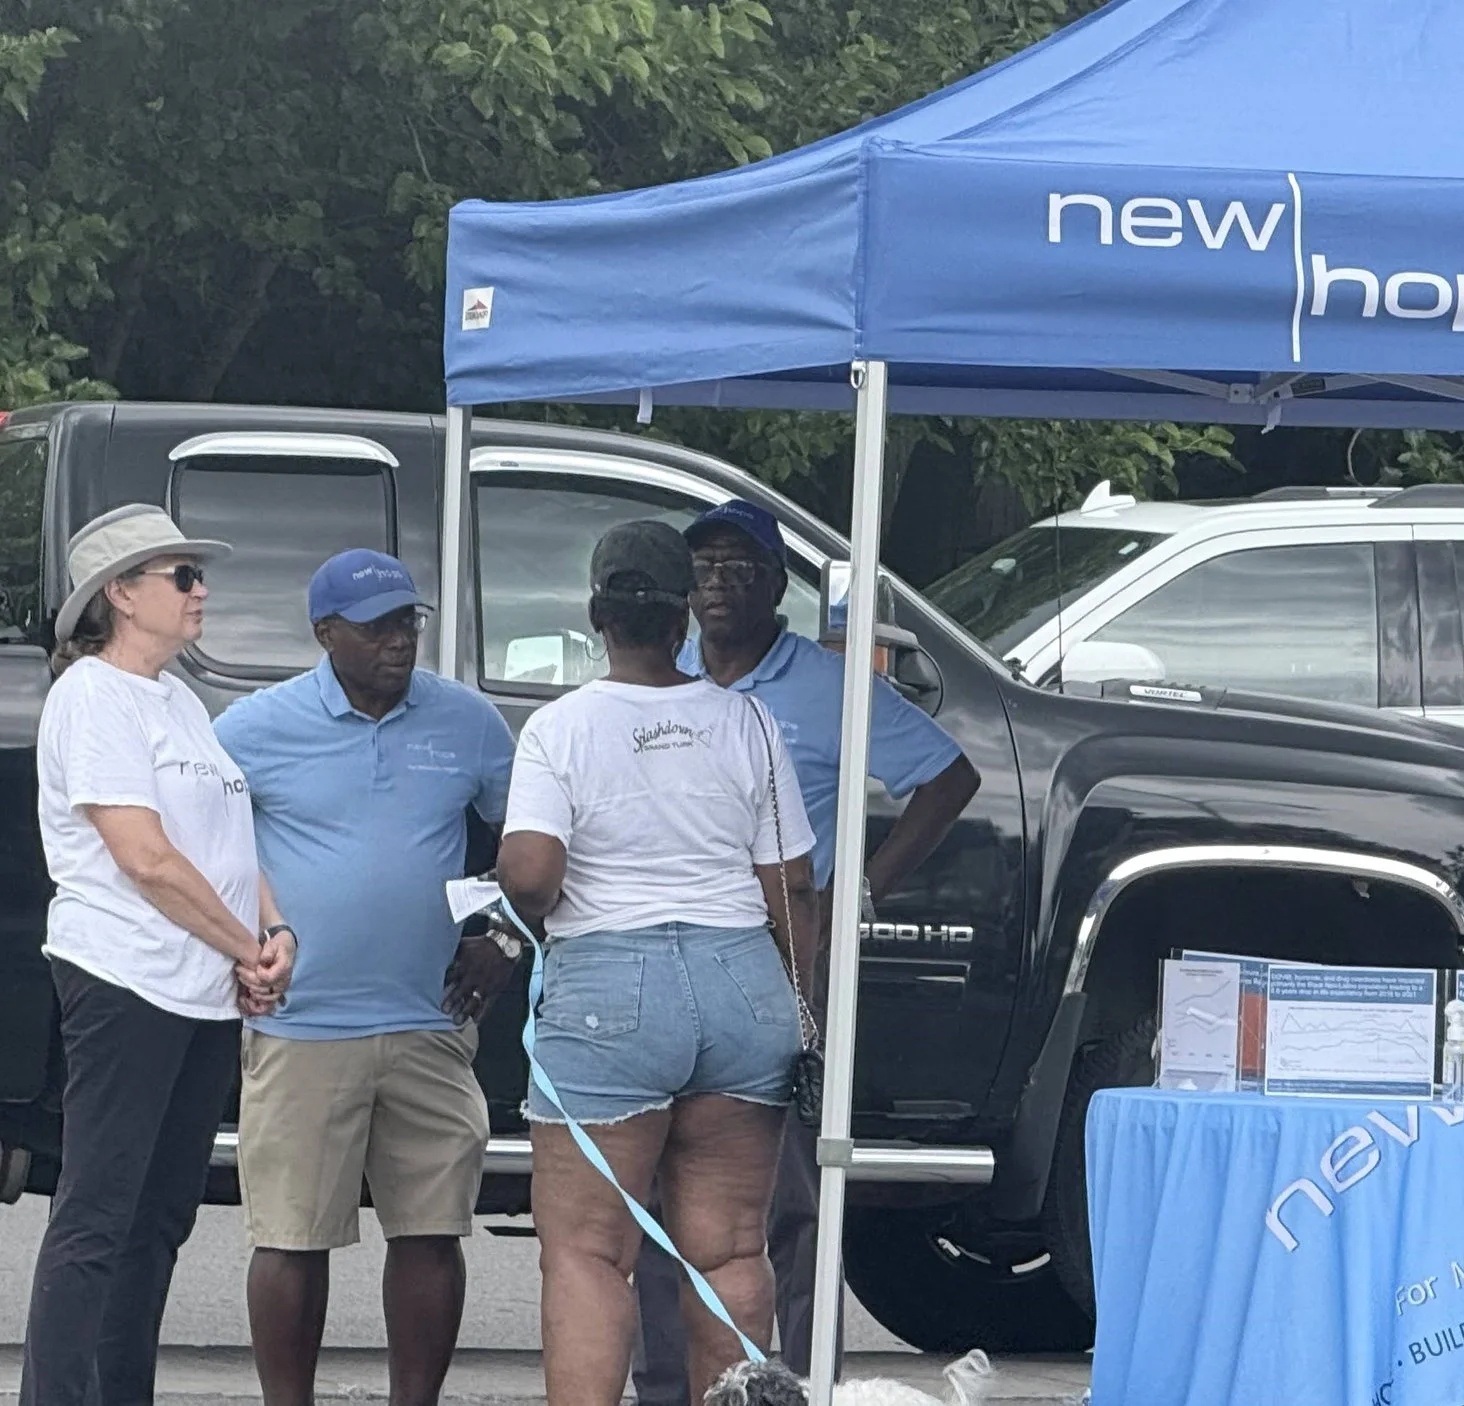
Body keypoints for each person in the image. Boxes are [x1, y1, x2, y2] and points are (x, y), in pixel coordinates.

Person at [631, 500, 978, 1401]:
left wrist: (859, 888)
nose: (718, 583)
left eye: (740, 567)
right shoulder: (663, 677)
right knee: (664, 1185)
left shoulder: (826, 687)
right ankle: (670, 1386)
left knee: (785, 1194)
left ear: (777, 584)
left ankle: (805, 1385)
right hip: (669, 954)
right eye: (704, 566)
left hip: (785, 959)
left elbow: (949, 775)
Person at [497, 520, 818, 1406]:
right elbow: (791, 883)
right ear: (685, 616)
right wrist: (804, 1014)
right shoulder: (747, 719)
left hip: (610, 991)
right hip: (742, 985)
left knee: (591, 1252)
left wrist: (507, 905)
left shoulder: (560, 728)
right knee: (728, 1248)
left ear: (597, 616)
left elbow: (531, 872)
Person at [214, 549, 518, 1406]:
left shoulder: (469, 723)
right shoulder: (252, 729)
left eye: (407, 622)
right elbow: (205, 848)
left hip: (429, 1019)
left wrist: (502, 930)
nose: (399, 639)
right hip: (300, 1021)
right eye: (378, 624)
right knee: (290, 1237)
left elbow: (525, 840)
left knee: (430, 1231)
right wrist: (238, 947)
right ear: (325, 634)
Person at [21, 504, 296, 1406]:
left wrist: (276, 932)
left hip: (202, 989)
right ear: (121, 595)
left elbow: (228, 835)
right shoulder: (91, 696)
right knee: (98, 1215)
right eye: (182, 576)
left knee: (159, 1217)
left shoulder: (180, 699)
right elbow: (144, 857)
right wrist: (246, 947)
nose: (201, 590)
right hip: (124, 979)